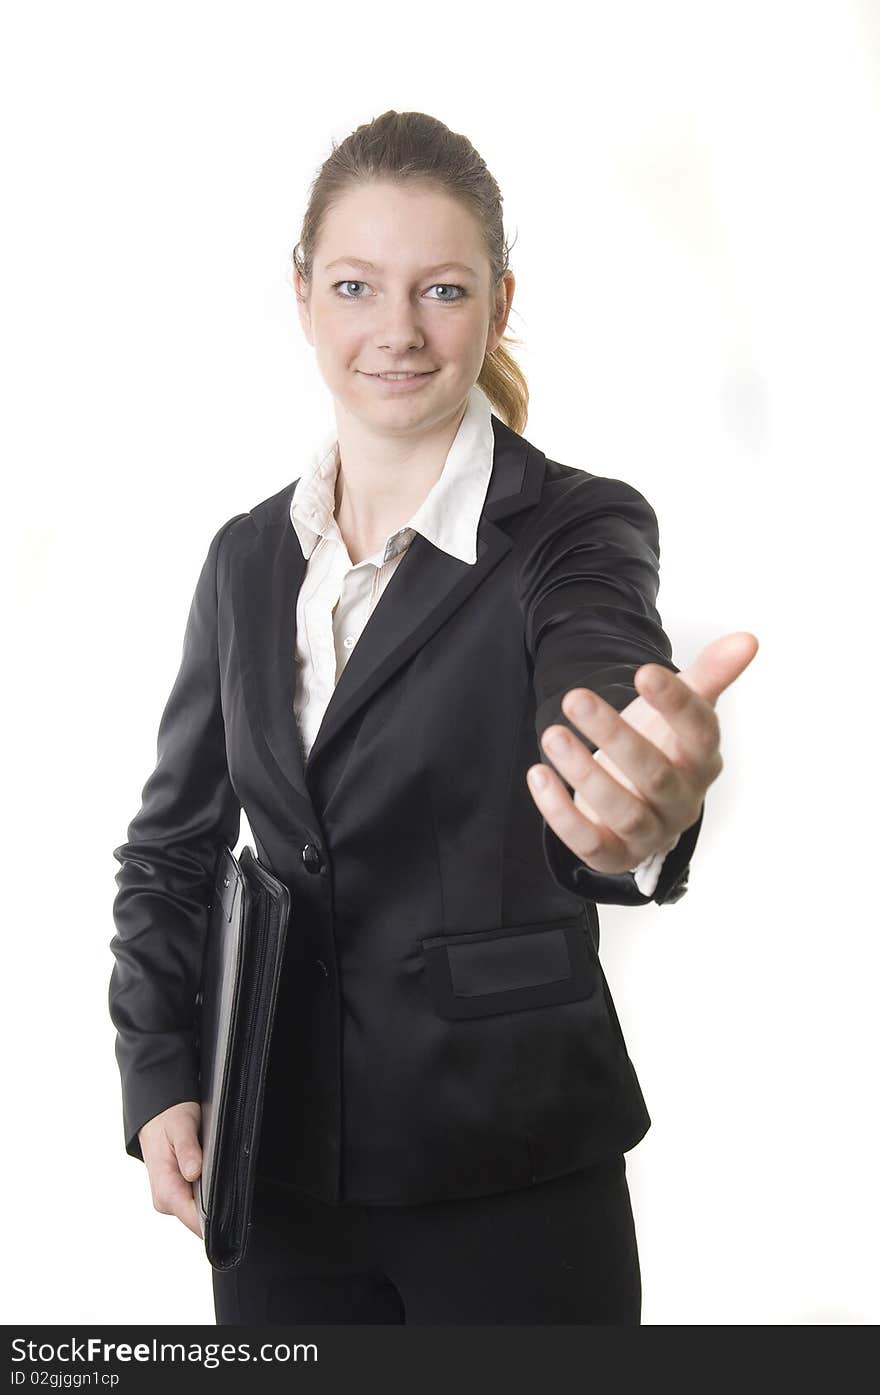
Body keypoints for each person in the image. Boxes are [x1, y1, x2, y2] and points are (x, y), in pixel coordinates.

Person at [108, 108, 758, 1325]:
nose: (396, 331)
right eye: (356, 286)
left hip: (512, 1169)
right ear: (303, 296)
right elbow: (171, 852)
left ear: (499, 303)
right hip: (277, 1175)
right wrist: (156, 1074)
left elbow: (603, 684)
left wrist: (632, 804)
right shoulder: (245, 560)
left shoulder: (577, 529)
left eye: (442, 290)